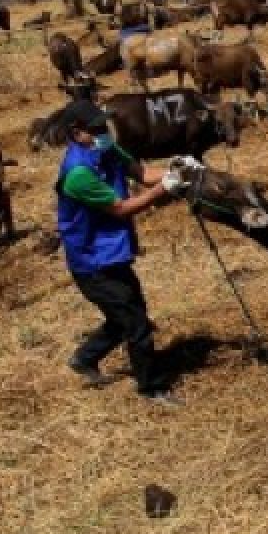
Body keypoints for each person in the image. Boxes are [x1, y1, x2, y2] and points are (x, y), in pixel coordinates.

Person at [55, 99, 192, 405]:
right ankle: (152, 388)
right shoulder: (78, 173)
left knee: (124, 315)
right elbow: (120, 208)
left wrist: (176, 167)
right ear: (76, 133)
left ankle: (84, 358)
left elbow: (141, 172)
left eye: (104, 125)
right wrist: (164, 190)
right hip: (92, 262)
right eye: (96, 128)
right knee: (137, 323)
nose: (104, 131)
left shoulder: (104, 149)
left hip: (111, 252)